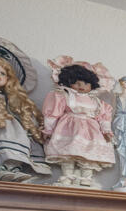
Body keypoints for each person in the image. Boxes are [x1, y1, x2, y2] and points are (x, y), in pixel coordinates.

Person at [43, 57, 116, 187]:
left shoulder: (97, 102)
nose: (81, 86)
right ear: (68, 82)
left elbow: (104, 117)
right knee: (68, 153)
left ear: (92, 85)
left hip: (91, 131)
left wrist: (106, 131)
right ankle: (67, 176)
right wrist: (48, 129)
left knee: (89, 153)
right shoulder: (64, 96)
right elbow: (53, 113)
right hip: (69, 128)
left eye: (86, 83)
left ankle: (86, 177)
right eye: (77, 83)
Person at [0, 53, 51, 182]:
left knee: (13, 131)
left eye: (2, 73)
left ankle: (9, 166)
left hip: (5, 126)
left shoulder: (10, 98)